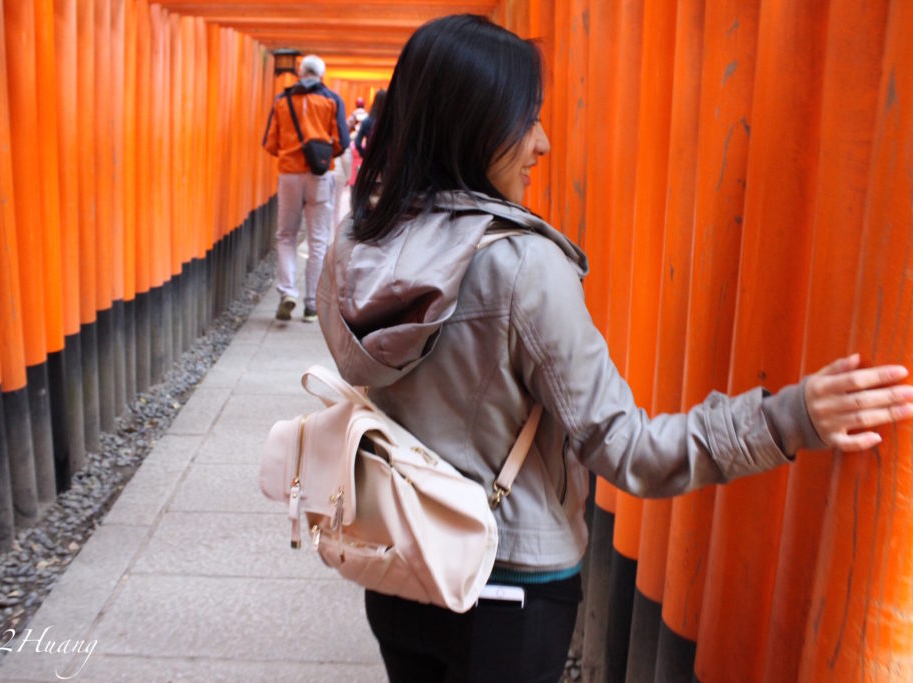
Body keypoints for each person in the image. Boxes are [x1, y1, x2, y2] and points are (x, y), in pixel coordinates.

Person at [315, 14, 913, 683]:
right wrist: (790, 416)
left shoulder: (357, 244)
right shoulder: (522, 268)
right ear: (472, 123)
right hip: (503, 588)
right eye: (526, 119)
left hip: (397, 567)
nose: (541, 143)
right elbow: (631, 452)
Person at [262, 54, 349, 322]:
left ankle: (288, 291)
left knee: (286, 235)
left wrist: (292, 152)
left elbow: (269, 142)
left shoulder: (281, 100)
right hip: (319, 176)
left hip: (289, 174)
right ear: (321, 75)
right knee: (318, 240)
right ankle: (311, 304)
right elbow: (342, 141)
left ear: (300, 73)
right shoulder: (332, 100)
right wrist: (320, 153)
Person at [354, 89, 386, 159]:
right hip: (385, 159)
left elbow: (357, 143)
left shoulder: (367, 121)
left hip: (370, 157)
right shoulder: (389, 123)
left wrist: (364, 154)